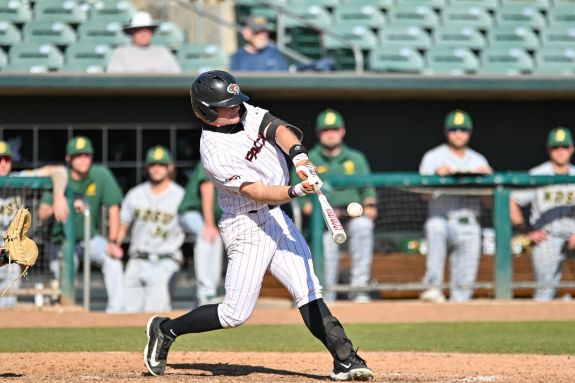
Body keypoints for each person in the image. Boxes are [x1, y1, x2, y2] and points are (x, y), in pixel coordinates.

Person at [143, 70, 374, 381]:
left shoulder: (245, 111)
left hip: (276, 217)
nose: (237, 107)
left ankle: (346, 359)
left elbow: (276, 128)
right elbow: (255, 191)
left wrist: (300, 158)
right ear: (209, 112)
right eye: (228, 104)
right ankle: (165, 329)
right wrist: (294, 191)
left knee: (308, 289)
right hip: (246, 224)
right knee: (233, 314)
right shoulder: (213, 151)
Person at [296, 109, 377, 303]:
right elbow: (302, 200)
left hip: (353, 217)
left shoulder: (356, 158)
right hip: (325, 222)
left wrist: (370, 206)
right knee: (327, 246)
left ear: (342, 131)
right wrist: (319, 213)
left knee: (364, 226)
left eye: (334, 129)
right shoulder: (308, 160)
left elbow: (368, 191)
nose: (330, 133)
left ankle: (359, 290)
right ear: (318, 133)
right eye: (325, 130)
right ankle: (327, 295)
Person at [38, 136, 125, 313]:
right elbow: (41, 212)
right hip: (61, 241)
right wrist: (59, 203)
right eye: (77, 155)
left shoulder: (100, 174)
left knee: (113, 261)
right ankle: (63, 315)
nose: (83, 159)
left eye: (86, 155)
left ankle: (116, 312)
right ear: (68, 159)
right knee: (63, 280)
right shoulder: (60, 177)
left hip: (88, 238)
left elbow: (114, 208)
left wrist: (113, 242)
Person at [418, 109, 492, 302]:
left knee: (464, 288)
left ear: (470, 132)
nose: (458, 133)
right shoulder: (432, 157)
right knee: (435, 227)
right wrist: (437, 177)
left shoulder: (478, 159)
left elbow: (490, 201)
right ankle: (432, 287)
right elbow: (423, 195)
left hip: (468, 222)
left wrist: (487, 180)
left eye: (463, 129)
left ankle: (460, 308)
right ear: (446, 131)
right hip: (441, 218)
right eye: (454, 129)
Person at [114, 146, 184, 312]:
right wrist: (115, 244)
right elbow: (123, 225)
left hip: (165, 261)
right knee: (126, 314)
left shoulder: (180, 195)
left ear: (170, 167)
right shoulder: (135, 194)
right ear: (147, 167)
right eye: (153, 165)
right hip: (136, 260)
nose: (157, 168)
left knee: (155, 314)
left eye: (161, 164)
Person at [0, 140, 69, 308]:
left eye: (6, 159)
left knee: (7, 310)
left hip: (9, 256)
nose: (3, 163)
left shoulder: (18, 179)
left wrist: (58, 196)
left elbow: (59, 171)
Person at [510, 127, 575, 301]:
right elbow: (512, 201)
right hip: (547, 237)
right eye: (556, 147)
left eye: (564, 147)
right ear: (549, 150)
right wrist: (525, 231)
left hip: (572, 236)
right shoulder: (538, 174)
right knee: (545, 290)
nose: (560, 151)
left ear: (571, 149)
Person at [179, 163, 224, 307]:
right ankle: (206, 293)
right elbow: (206, 188)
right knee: (210, 237)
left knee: (214, 239)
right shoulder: (214, 154)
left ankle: (201, 298)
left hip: (208, 216)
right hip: (191, 211)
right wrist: (210, 224)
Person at [106, 11, 181, 74]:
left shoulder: (163, 52)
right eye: (138, 30)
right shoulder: (121, 53)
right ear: (131, 32)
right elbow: (114, 82)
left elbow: (176, 79)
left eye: (147, 30)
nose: (143, 34)